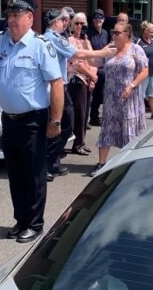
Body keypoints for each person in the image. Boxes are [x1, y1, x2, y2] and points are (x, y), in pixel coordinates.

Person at [0, 0, 64, 244]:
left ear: (30, 18)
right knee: (15, 173)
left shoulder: (41, 45)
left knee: (34, 174)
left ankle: (34, 224)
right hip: (9, 120)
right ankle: (21, 220)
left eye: (16, 15)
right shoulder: (2, 42)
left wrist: (55, 121)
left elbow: (56, 84)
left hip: (33, 120)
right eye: (9, 15)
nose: (11, 20)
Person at [43, 9, 116, 181]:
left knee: (66, 124)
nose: (66, 23)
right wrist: (102, 53)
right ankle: (46, 163)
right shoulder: (53, 37)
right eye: (64, 20)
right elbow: (77, 54)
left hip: (61, 86)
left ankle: (52, 163)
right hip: (56, 87)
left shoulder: (53, 37)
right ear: (55, 22)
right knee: (63, 124)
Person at [90, 22, 149, 177]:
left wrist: (132, 85)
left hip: (128, 97)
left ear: (127, 34)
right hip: (110, 98)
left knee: (128, 131)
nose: (114, 35)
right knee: (107, 130)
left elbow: (145, 70)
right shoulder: (110, 49)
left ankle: (127, 164)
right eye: (112, 32)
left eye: (117, 33)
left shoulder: (136, 49)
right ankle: (101, 164)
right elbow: (95, 62)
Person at [68, 12, 99, 155]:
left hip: (88, 80)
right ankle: (77, 143)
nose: (80, 26)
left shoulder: (86, 41)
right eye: (77, 23)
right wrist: (91, 75)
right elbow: (77, 63)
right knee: (79, 113)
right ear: (72, 24)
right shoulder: (70, 41)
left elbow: (93, 60)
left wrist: (93, 76)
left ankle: (82, 141)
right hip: (77, 79)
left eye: (82, 23)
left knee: (85, 113)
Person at [87, 8, 109, 126]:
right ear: (92, 20)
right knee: (89, 95)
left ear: (103, 20)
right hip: (91, 68)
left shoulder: (105, 33)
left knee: (99, 95)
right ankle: (86, 120)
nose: (98, 20)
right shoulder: (88, 33)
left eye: (100, 17)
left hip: (102, 69)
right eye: (95, 18)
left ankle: (94, 117)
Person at [136, 21, 153, 120]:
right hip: (143, 72)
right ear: (145, 31)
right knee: (141, 93)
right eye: (151, 31)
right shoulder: (139, 42)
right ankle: (139, 112)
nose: (152, 33)